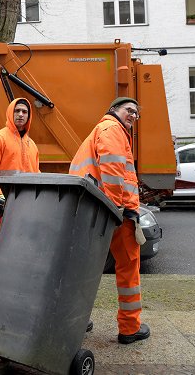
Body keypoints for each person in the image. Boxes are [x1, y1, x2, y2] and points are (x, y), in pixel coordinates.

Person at [69, 97, 150, 344]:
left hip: (94, 210)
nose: (132, 116)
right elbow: (113, 171)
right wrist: (118, 208)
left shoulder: (102, 130)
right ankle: (129, 328)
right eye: (129, 110)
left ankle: (74, 320)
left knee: (83, 268)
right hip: (117, 214)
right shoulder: (113, 129)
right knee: (128, 270)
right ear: (114, 110)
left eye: (136, 113)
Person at [0, 98, 39, 286]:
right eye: (17, 111)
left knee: (21, 250)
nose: (21, 115)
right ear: (10, 113)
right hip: (2, 204)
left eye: (25, 112)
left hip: (25, 206)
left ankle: (12, 290)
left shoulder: (32, 146)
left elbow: (36, 176)